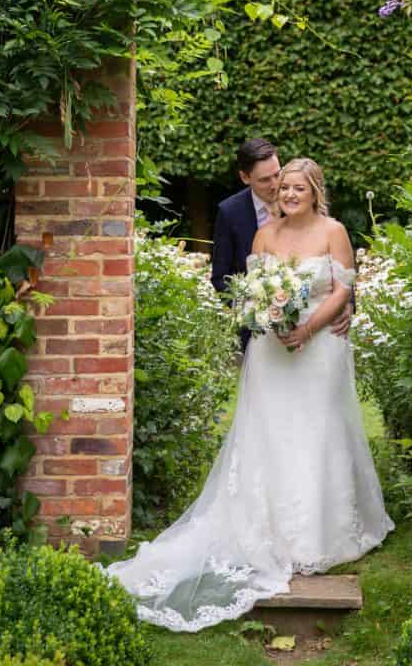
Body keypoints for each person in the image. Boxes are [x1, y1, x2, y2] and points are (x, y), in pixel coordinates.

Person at [106, 157, 394, 631]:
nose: (289, 196)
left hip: (320, 349)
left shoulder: (334, 231)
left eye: (298, 188)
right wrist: (269, 317)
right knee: (269, 434)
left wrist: (307, 328)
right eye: (283, 189)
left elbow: (342, 289)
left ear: (314, 191)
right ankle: (264, 529)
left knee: (317, 433)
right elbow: (251, 292)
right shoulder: (264, 237)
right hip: (270, 354)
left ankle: (320, 534)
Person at [211, 138, 350, 353]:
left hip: (321, 330)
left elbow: (339, 265)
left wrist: (347, 303)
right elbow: (222, 276)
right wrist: (257, 314)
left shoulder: (303, 200)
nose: (276, 185)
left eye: (278, 174)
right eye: (265, 180)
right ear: (245, 177)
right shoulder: (230, 213)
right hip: (265, 335)